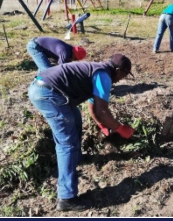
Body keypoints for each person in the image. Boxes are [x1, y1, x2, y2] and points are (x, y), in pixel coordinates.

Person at [28, 54, 135, 211]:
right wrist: (120, 128)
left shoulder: (98, 71)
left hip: (45, 88)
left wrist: (101, 124)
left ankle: (77, 158)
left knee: (75, 116)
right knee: (67, 143)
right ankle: (67, 198)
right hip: (48, 94)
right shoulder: (104, 76)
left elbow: (94, 106)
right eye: (125, 74)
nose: (122, 79)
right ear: (118, 70)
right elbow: (103, 110)